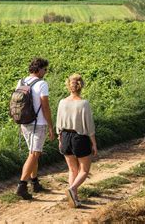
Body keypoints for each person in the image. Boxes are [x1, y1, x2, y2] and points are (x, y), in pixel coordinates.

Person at [16, 58, 55, 200]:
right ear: (38, 70)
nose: (46, 72)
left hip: (25, 122)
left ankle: (35, 183)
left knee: (34, 153)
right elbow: (45, 107)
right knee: (34, 154)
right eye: (45, 69)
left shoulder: (21, 82)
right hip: (38, 124)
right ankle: (22, 185)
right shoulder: (42, 84)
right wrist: (51, 126)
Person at [56, 74, 97, 208]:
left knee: (72, 169)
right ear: (81, 86)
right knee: (84, 170)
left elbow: (59, 123)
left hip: (65, 136)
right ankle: (72, 189)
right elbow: (89, 126)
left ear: (69, 86)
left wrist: (60, 138)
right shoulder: (83, 103)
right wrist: (94, 143)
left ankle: (74, 198)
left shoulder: (62, 102)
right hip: (80, 138)